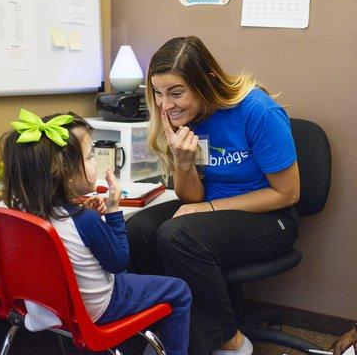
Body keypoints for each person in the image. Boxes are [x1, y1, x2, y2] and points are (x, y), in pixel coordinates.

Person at [126, 36, 301, 355]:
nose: (165, 105)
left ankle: (230, 341)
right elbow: (191, 198)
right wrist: (183, 162)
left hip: (272, 218)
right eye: (158, 93)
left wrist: (208, 207)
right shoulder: (181, 118)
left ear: (206, 81)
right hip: (210, 214)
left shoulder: (257, 111)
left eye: (176, 92)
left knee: (178, 237)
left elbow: (287, 194)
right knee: (137, 231)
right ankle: (172, 328)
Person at [0, 109, 191, 355]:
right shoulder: (85, 220)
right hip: (95, 310)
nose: (95, 163)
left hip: (46, 306)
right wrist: (113, 210)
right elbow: (119, 262)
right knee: (179, 290)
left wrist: (85, 213)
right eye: (90, 157)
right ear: (65, 173)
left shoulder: (23, 210)